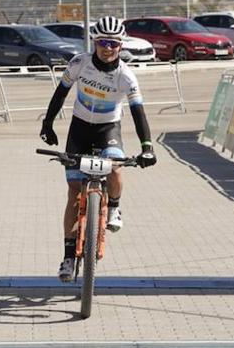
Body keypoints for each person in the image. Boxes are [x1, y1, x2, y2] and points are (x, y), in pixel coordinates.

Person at [39, 16, 156, 283]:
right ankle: (69, 257)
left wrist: (147, 147)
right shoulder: (79, 63)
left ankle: (114, 206)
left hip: (108, 131)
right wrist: (47, 124)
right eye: (102, 42)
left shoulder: (125, 75)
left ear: (120, 45)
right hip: (79, 130)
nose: (107, 48)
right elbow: (60, 93)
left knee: (115, 167)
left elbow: (139, 113)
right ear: (94, 42)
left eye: (113, 44)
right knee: (72, 193)